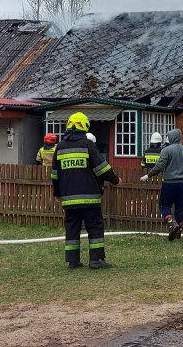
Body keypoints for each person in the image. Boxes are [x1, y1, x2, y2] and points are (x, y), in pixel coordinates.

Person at [51, 112, 121, 269]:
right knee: (95, 227)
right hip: (90, 198)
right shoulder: (88, 145)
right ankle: (96, 260)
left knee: (72, 229)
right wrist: (115, 180)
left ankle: (72, 261)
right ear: (84, 127)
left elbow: (55, 174)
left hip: (69, 199)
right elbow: (101, 168)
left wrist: (57, 193)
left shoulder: (60, 147)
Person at [140, 129, 183, 241]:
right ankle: (179, 230)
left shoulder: (166, 150)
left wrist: (148, 176)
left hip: (169, 184)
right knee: (180, 208)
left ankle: (172, 224)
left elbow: (159, 166)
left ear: (170, 138)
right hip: (182, 184)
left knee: (164, 205)